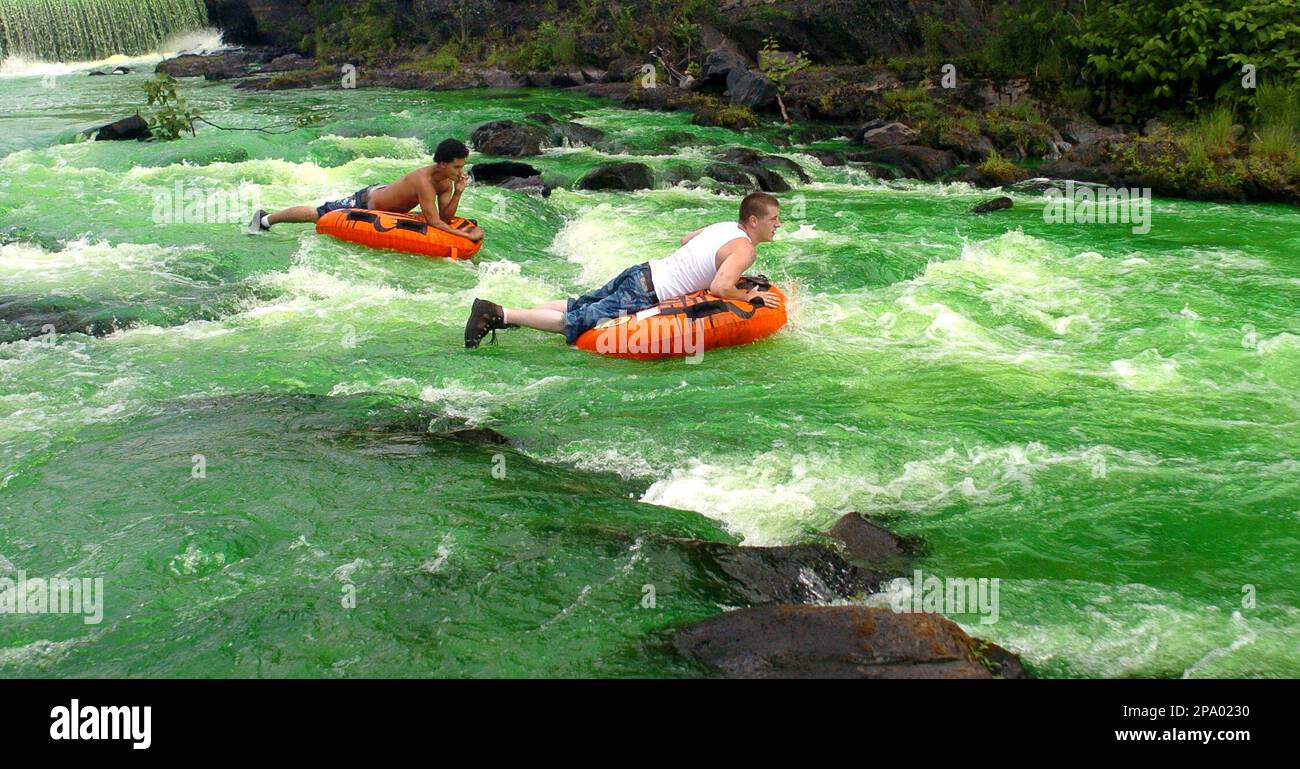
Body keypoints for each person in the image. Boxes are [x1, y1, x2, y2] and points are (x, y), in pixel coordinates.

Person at [464, 191, 783, 348]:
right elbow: (719, 288)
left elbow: (687, 239)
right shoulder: (745, 249)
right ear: (754, 221)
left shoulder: (725, 226)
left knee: (580, 304)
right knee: (575, 322)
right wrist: (749, 295)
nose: (778, 225)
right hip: (648, 292)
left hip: (642, 272)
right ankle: (498, 314)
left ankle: (520, 316)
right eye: (774, 220)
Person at [246, 138, 484, 242]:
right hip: (369, 201)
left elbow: (446, 218)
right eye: (457, 166)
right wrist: (466, 235)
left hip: (387, 200)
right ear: (442, 164)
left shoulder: (446, 182)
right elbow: (434, 223)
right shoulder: (424, 181)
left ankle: (266, 219)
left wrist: (458, 192)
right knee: (317, 214)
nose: (460, 171)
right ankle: (265, 219)